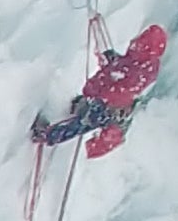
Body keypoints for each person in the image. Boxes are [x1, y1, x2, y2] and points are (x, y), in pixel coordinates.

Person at [36, 19, 166, 157]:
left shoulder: (137, 65)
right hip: (114, 107)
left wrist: (97, 92)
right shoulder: (146, 62)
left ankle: (47, 135)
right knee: (85, 118)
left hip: (107, 108)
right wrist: (114, 61)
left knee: (81, 124)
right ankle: (79, 108)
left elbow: (118, 87)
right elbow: (125, 71)